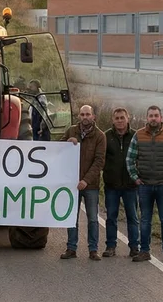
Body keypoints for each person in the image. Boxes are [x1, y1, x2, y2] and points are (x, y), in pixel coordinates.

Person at [127, 106, 163, 265]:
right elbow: (130, 159)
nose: (153, 118)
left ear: (161, 117)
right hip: (144, 185)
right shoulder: (138, 135)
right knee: (145, 220)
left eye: (156, 116)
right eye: (151, 116)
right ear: (147, 118)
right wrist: (135, 177)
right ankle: (144, 251)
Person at [62, 105, 106, 261]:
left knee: (93, 218)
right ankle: (71, 248)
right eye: (82, 114)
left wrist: (86, 180)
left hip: (90, 185)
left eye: (88, 114)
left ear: (93, 116)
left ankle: (93, 249)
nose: (85, 117)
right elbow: (56, 149)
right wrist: (67, 142)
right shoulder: (71, 131)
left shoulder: (100, 136)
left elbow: (99, 161)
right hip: (72, 184)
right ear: (78, 116)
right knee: (71, 217)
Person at [103, 108, 139, 259]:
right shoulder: (106, 136)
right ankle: (111, 246)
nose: (119, 120)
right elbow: (100, 157)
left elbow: (141, 156)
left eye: (122, 118)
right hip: (112, 185)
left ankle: (134, 247)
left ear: (128, 118)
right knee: (111, 217)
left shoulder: (136, 136)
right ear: (113, 120)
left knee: (132, 217)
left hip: (131, 185)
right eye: (116, 118)